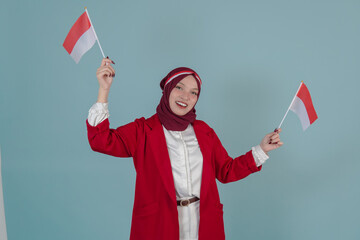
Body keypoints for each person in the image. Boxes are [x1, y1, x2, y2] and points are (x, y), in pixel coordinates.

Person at [86, 58, 283, 240]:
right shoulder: (143, 130)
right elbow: (100, 140)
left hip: (203, 222)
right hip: (159, 225)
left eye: (193, 92)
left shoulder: (204, 132)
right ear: (168, 89)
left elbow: (226, 170)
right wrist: (104, 90)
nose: (185, 96)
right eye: (179, 87)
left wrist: (261, 150)